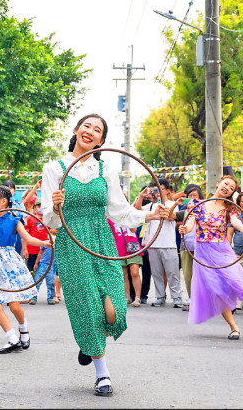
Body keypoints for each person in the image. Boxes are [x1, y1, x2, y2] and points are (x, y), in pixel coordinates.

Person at [42, 113, 169, 397]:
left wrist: (151, 215)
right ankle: (103, 374)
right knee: (87, 304)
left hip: (102, 241)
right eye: (86, 126)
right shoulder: (54, 168)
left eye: (97, 130)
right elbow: (49, 221)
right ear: (76, 130)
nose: (90, 131)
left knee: (114, 312)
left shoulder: (106, 171)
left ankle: (90, 340)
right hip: (72, 243)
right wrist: (55, 206)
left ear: (101, 140)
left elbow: (120, 212)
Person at [0, 186, 52, 352]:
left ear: (4, 202)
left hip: (10, 264)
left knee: (14, 306)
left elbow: (27, 238)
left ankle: (23, 329)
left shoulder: (14, 219)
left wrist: (44, 243)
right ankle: (12, 338)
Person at [180, 175, 243, 340]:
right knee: (217, 290)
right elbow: (191, 222)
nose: (227, 188)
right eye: (226, 184)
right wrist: (186, 229)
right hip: (203, 251)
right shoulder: (197, 204)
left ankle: (229, 302)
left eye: (231, 188)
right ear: (218, 183)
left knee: (233, 280)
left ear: (231, 193)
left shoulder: (229, 208)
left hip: (222, 249)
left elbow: (235, 222)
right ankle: (234, 326)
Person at [135, 177, 183, 308]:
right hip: (153, 245)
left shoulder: (173, 205)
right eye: (156, 189)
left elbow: (170, 217)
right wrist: (140, 196)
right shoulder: (151, 205)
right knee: (156, 273)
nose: (158, 192)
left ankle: (177, 297)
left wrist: (171, 205)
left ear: (167, 190)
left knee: (172, 273)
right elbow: (137, 209)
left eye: (161, 189)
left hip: (168, 244)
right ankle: (160, 296)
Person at [175, 184, 204, 311]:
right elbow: (169, 216)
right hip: (186, 246)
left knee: (202, 274)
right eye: (190, 196)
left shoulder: (206, 209)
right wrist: (176, 202)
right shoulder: (184, 212)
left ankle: (203, 300)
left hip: (202, 246)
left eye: (195, 196)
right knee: (188, 274)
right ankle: (192, 298)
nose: (192, 198)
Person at [110, 218, 142, 308]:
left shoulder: (129, 214)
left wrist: (125, 217)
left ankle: (137, 297)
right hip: (119, 248)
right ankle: (127, 297)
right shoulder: (110, 218)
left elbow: (133, 229)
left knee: (135, 273)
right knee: (123, 275)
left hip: (132, 247)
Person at [25, 198, 50, 305]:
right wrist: (25, 249)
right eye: (38, 206)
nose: (39, 208)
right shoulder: (30, 219)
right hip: (32, 250)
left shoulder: (48, 219)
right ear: (34, 207)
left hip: (45, 251)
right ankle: (31, 295)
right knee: (31, 273)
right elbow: (25, 235)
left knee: (49, 273)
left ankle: (52, 295)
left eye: (41, 206)